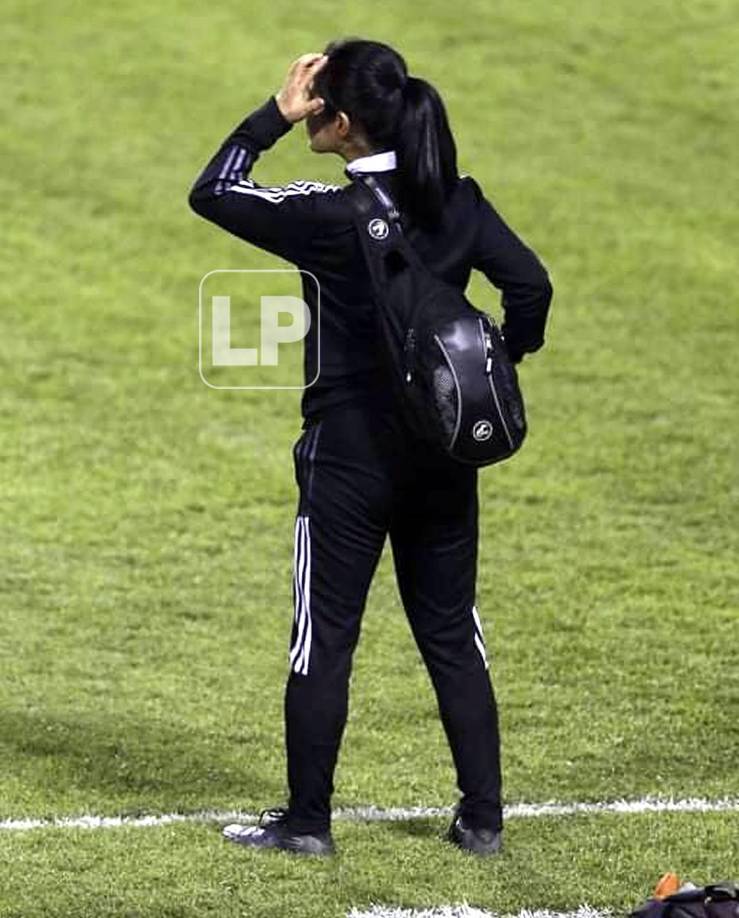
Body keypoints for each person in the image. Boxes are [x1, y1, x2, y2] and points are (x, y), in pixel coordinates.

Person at [188, 38, 553, 857]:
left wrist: (268, 119)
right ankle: (482, 818)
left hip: (348, 458)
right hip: (442, 455)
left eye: (317, 104)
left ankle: (307, 823)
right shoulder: (457, 201)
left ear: (340, 123)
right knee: (452, 631)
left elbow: (213, 192)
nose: (307, 108)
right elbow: (530, 287)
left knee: (326, 636)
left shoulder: (327, 216)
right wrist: (504, 354)